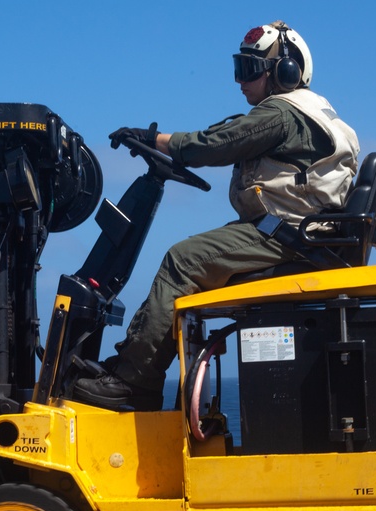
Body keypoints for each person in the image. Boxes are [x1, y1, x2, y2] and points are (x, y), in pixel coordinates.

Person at [73, 20, 360, 410]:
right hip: (290, 232)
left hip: (285, 236)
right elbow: (225, 137)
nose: (240, 81)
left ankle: (134, 386)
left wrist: (155, 139)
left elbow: (219, 144)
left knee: (182, 260)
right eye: (238, 69)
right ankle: (132, 365)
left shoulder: (282, 114)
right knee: (190, 258)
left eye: (248, 70)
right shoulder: (307, 113)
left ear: (283, 72)